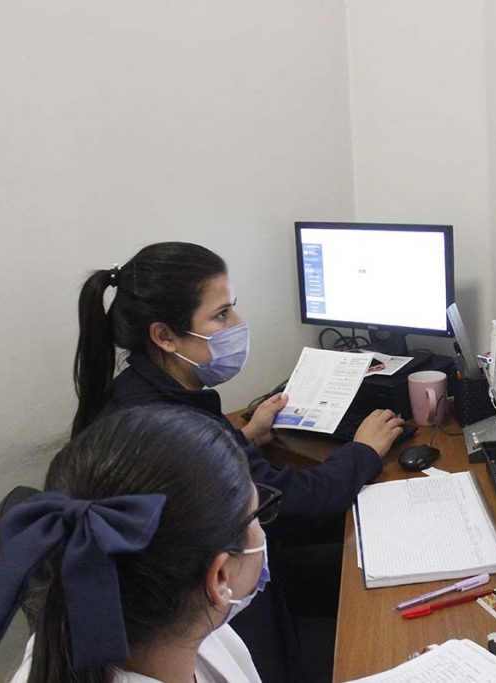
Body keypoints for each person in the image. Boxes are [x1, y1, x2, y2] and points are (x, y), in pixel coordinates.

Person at [72, 241, 404, 681]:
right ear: (164, 336)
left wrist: (244, 436)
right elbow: (286, 504)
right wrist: (363, 451)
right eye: (221, 315)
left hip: (207, 585)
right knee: (379, 593)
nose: (238, 324)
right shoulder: (173, 428)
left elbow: (190, 478)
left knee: (362, 562)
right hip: (224, 611)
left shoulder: (136, 394)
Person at [0, 406, 272, 682]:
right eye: (256, 517)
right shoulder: (180, 625)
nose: (260, 532)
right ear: (219, 577)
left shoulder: (66, 634)